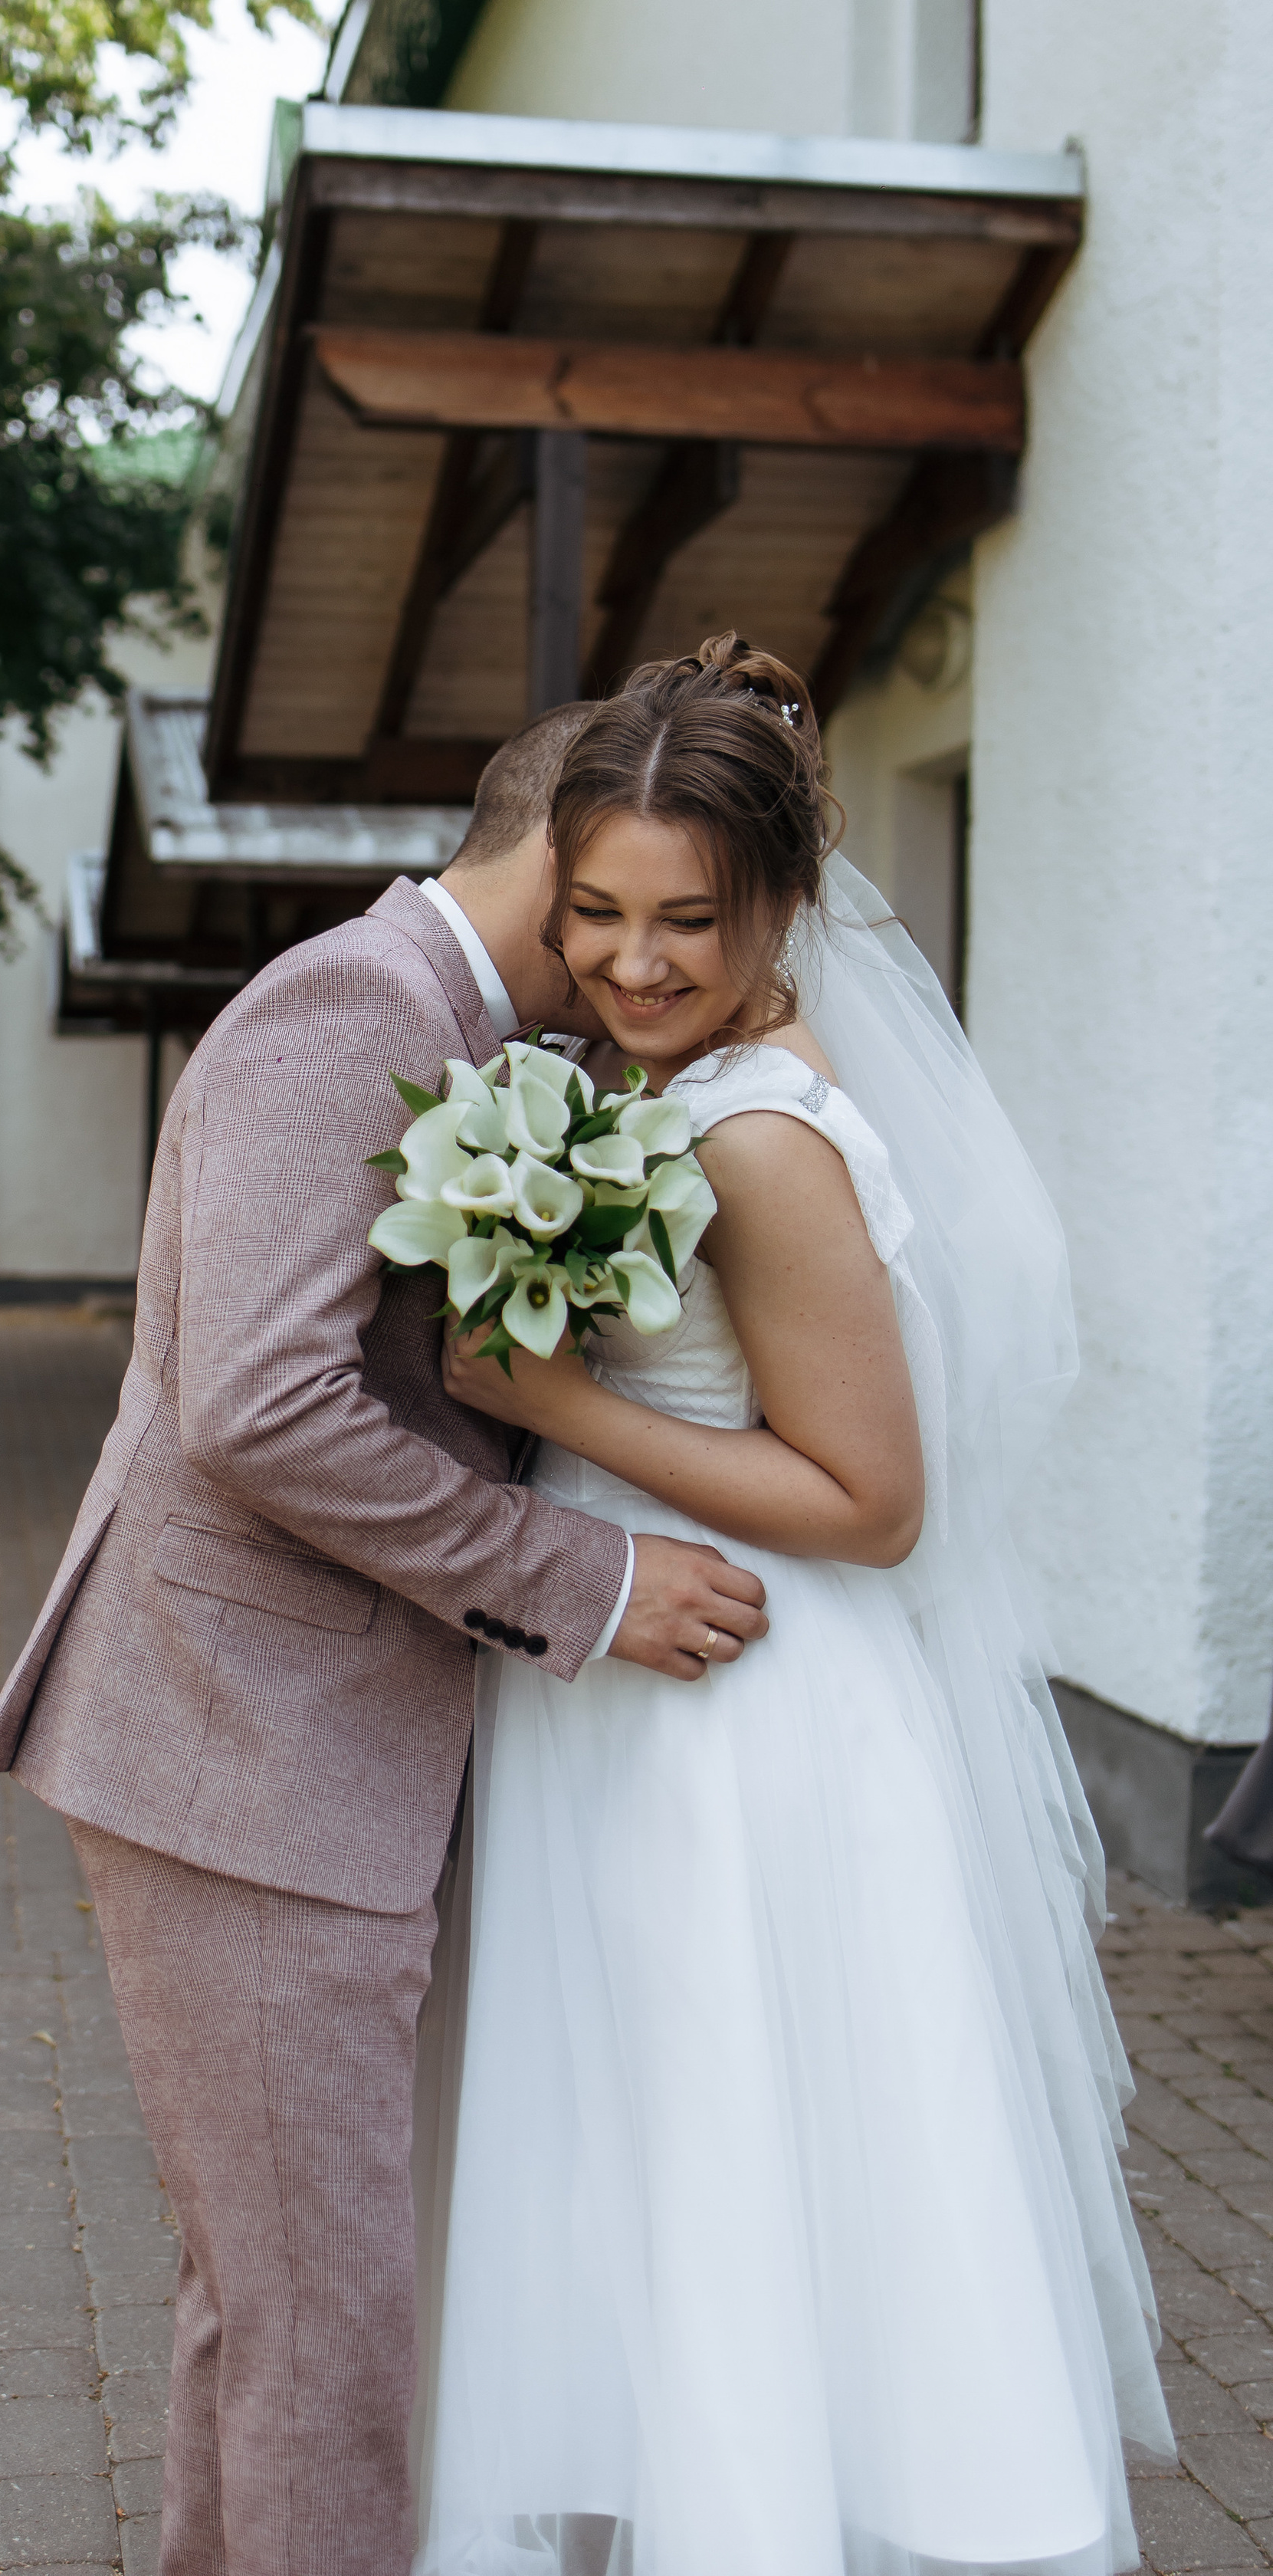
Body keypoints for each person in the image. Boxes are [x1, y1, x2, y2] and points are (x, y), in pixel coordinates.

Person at [0, 703, 771, 2576]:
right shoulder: (351, 1012)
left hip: (301, 1749)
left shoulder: (474, 1035)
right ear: (561, 851)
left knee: (271, 2306)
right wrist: (581, 1581)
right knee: (321, 2333)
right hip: (244, 1749)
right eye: (615, 904)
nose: (635, 958)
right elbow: (258, 1408)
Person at [412, 637, 1172, 2576]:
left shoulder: (752, 1132)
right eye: (596, 911)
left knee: (724, 2149)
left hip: (733, 1708)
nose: (631, 961)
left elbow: (871, 1501)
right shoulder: (662, 1083)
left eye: (688, 920)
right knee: (664, 2157)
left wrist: (550, 1400)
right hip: (629, 1687)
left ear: (777, 908)